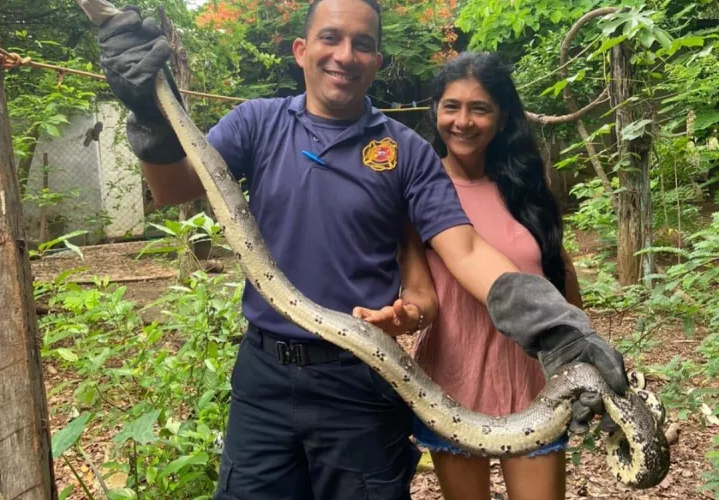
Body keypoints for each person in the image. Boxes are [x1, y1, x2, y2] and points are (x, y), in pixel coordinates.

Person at [95, 1, 629, 498]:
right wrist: (149, 116)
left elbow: (465, 249)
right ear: (302, 51)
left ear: (376, 60)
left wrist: (555, 326)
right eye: (330, 38)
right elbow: (173, 188)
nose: (345, 55)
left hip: (363, 380)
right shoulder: (257, 123)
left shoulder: (407, 151)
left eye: (362, 44)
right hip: (264, 376)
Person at [404, 51, 582, 500]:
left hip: (532, 384)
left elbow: (558, 269)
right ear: (436, 112)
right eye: (452, 106)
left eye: (479, 108)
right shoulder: (417, 189)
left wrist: (583, 354)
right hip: (452, 386)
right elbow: (411, 286)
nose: (463, 121)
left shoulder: (522, 185)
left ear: (502, 118)